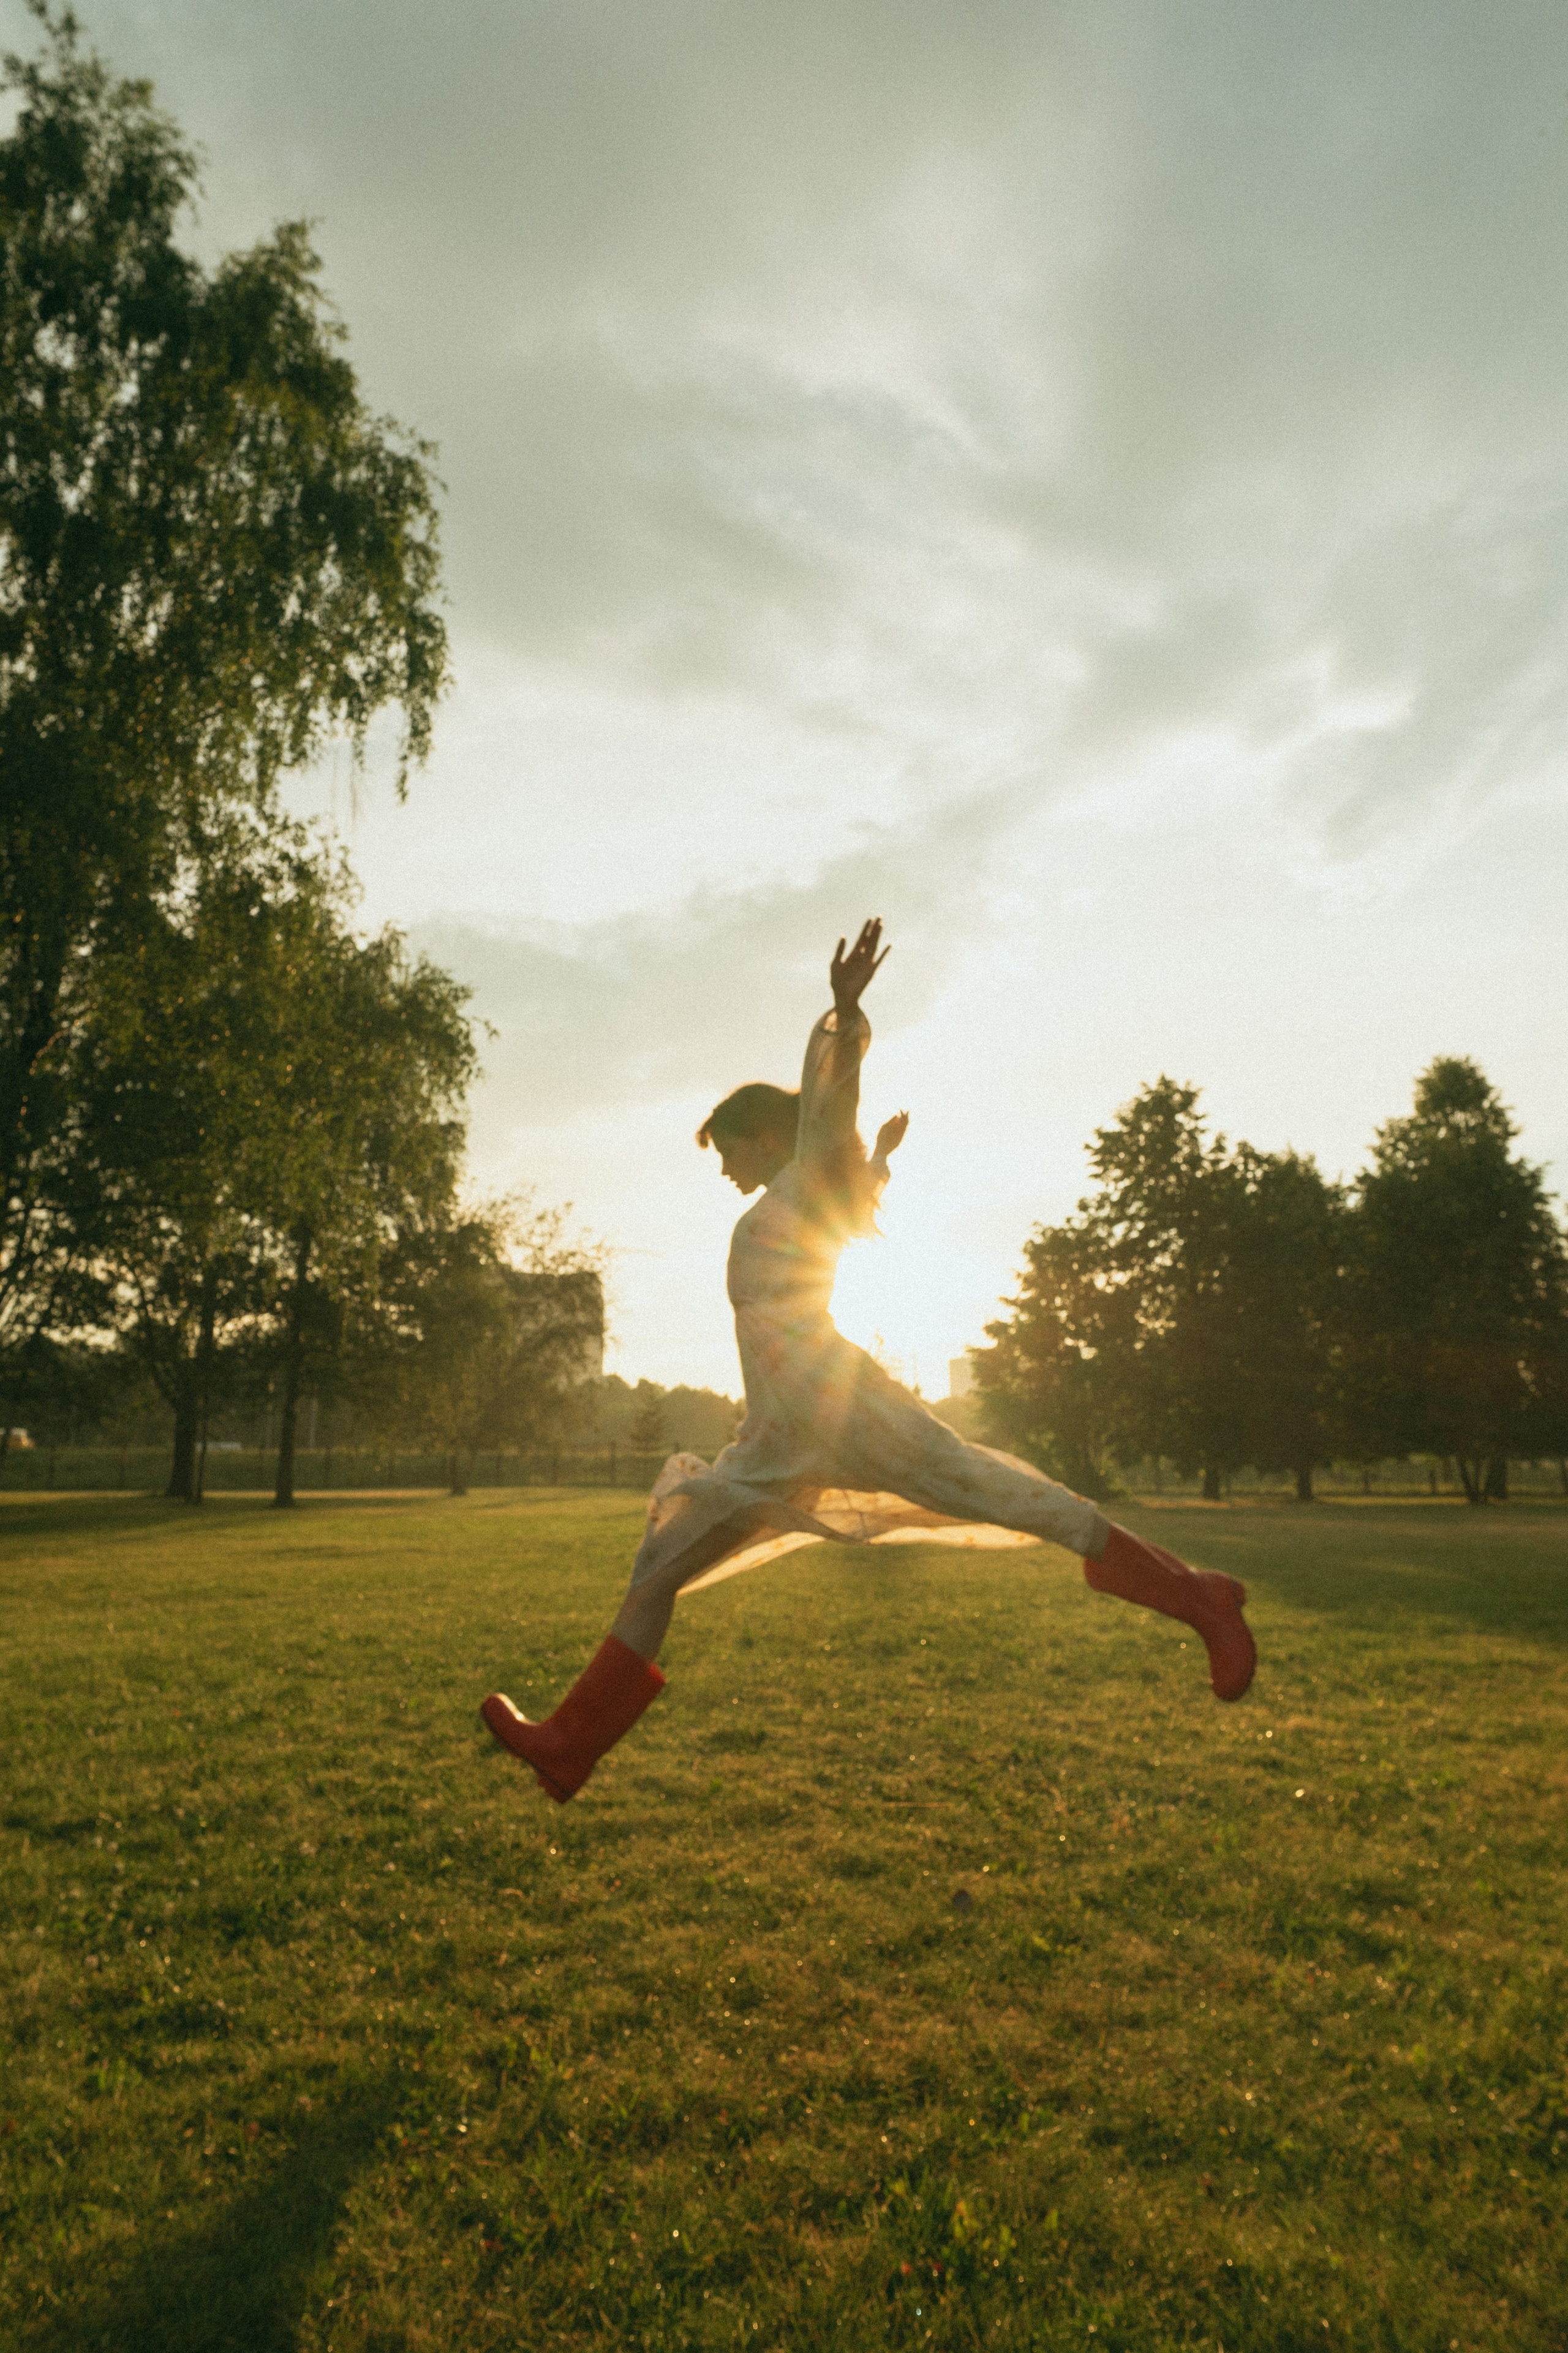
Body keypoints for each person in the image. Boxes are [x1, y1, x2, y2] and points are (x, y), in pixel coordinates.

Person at [481, 919, 1256, 1801]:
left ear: (770, 1138)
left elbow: (830, 1107)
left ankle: (1200, 1601)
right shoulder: (801, 1193)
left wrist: (846, 1016)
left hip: (851, 1408)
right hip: (777, 1440)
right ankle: (571, 1743)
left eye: (729, 1150)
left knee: (1004, 1494)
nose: (723, 1170)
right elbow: (845, 1201)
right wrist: (879, 1165)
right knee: (659, 1562)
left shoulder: (801, 1172)